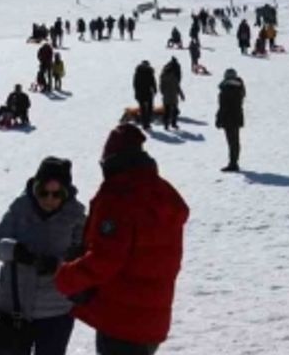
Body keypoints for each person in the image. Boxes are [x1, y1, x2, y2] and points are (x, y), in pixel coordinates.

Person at [55, 125, 189, 355]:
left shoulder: (119, 196)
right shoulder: (162, 192)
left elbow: (105, 259)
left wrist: (66, 276)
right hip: (152, 315)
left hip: (121, 320)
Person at [0, 158, 87, 355]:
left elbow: (84, 260)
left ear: (65, 194)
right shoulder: (20, 208)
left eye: (56, 194)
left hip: (56, 311)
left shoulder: (76, 217)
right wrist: (14, 250)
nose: (49, 199)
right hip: (15, 307)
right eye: (43, 192)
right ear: (35, 188)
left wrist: (57, 265)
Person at [217, 69, 246, 173]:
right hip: (237, 117)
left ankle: (233, 163)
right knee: (235, 141)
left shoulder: (227, 89)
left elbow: (223, 106)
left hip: (229, 118)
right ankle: (233, 162)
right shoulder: (239, 87)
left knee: (232, 142)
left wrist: (219, 119)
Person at [158, 58, 184, 131]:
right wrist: (181, 95)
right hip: (173, 96)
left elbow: (161, 87)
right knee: (174, 111)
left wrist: (163, 93)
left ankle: (166, 125)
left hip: (166, 97)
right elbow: (177, 87)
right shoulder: (174, 77)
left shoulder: (163, 78)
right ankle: (173, 124)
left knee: (166, 111)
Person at [132, 61, 157, 130]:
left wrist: (155, 89)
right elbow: (153, 82)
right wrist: (154, 90)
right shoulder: (143, 72)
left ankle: (146, 123)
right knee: (147, 109)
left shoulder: (141, 72)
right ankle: (146, 124)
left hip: (144, 93)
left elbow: (135, 84)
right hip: (146, 93)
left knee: (145, 109)